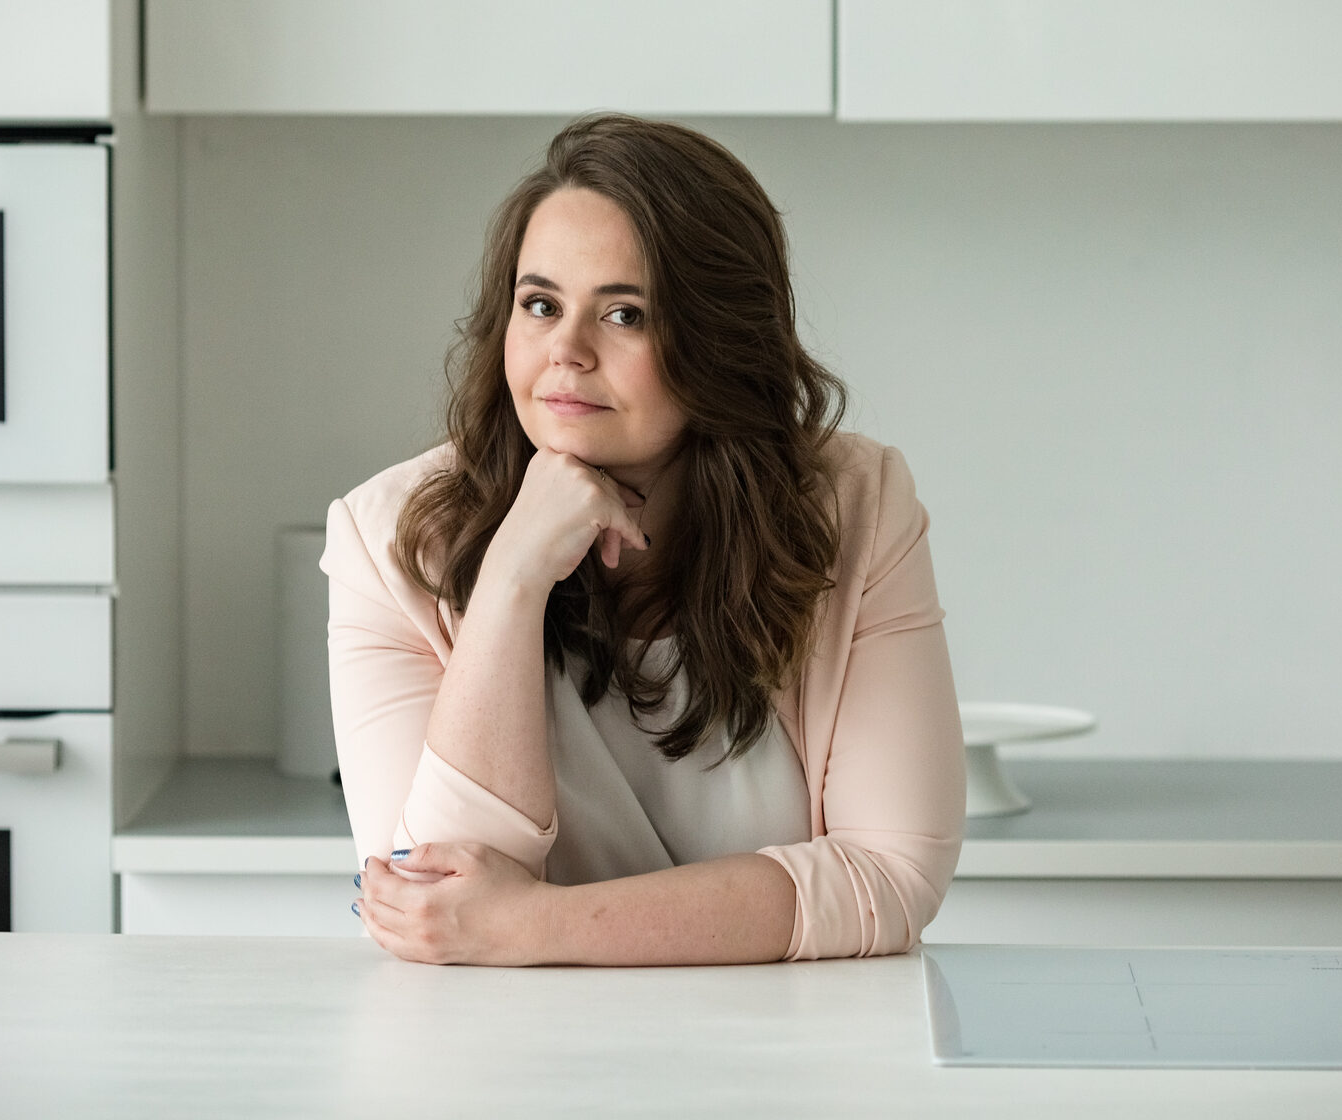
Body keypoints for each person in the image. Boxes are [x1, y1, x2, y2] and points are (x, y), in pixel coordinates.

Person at [322, 114, 964, 966]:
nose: (566, 352)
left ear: (720, 341)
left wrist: (534, 925)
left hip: (789, 1056)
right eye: (540, 304)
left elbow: (889, 878)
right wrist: (514, 576)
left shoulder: (853, 507)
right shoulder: (389, 539)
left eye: (624, 314)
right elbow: (436, 902)